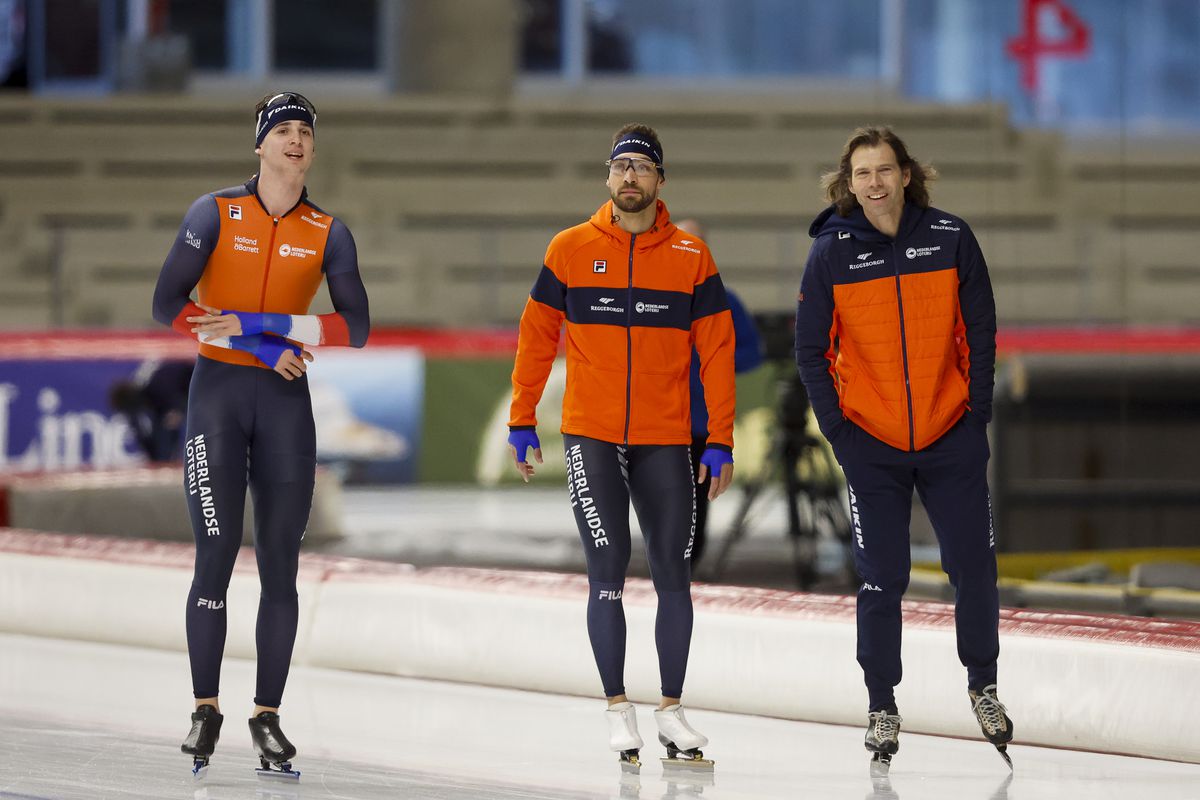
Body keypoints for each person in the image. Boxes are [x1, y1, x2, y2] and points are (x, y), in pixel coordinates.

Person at [151, 91, 370, 779]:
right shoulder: (213, 214)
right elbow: (167, 305)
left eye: (305, 130)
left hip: (283, 405)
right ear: (260, 145)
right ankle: (205, 707)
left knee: (281, 562)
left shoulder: (328, 230)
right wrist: (263, 342)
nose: (296, 140)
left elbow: (355, 327)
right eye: (283, 131)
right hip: (217, 400)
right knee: (214, 552)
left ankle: (267, 717)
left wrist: (257, 330)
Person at [507, 124, 736, 771]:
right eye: (620, 167)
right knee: (607, 562)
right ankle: (616, 706)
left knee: (674, 570)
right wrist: (522, 420)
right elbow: (535, 337)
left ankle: (670, 707)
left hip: (667, 436)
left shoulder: (691, 257)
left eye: (642, 167)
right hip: (593, 434)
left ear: (660, 181)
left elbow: (718, 353)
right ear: (608, 179)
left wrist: (719, 436)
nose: (629, 177)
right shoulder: (570, 249)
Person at [794, 126, 1013, 769]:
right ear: (849, 183)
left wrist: (976, 421)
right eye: (863, 174)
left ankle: (983, 686)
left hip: (951, 437)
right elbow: (811, 351)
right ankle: (882, 703)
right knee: (881, 577)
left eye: (885, 170)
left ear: (907, 174)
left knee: (974, 566)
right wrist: (842, 436)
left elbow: (980, 329)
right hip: (874, 446)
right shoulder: (830, 254)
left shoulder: (951, 238)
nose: (876, 183)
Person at [674, 218, 763, 568]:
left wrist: (715, 360)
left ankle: (685, 570)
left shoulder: (725, 301)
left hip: (701, 424)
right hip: (655, 422)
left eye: (695, 244)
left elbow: (753, 352)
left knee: (694, 501)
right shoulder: (650, 295)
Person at [108, 359, 194, 463]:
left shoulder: (160, 388)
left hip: (198, 384)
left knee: (170, 422)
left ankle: (166, 461)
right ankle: (163, 462)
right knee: (165, 426)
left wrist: (178, 411)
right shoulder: (152, 399)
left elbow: (179, 407)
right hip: (177, 395)